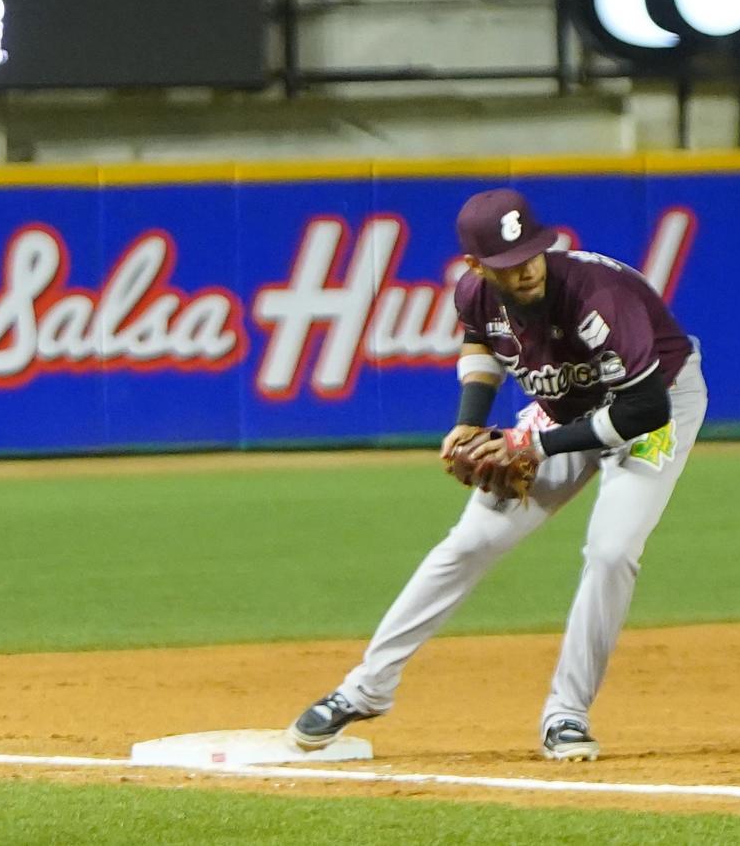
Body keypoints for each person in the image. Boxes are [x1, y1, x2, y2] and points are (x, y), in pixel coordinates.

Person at [288, 188, 709, 761]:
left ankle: (566, 713)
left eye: (531, 253)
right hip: (565, 406)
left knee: (611, 551)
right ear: (477, 267)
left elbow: (644, 410)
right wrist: (469, 424)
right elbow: (481, 340)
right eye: (508, 263)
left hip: (655, 404)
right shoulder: (475, 295)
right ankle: (364, 688)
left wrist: (532, 445)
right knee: (471, 540)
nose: (526, 268)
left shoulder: (597, 295)